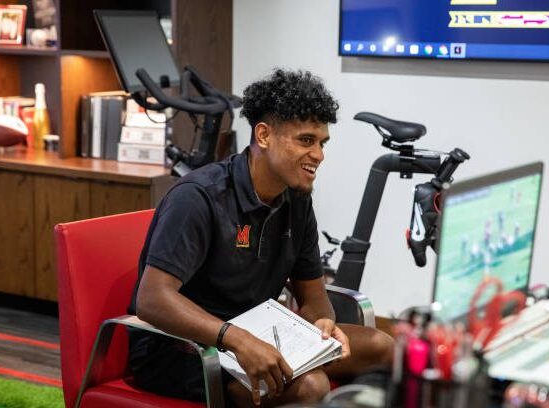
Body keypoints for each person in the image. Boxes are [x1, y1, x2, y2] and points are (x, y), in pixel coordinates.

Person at [128, 69, 394, 407]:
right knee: (311, 385)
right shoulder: (198, 197)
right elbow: (151, 300)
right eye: (306, 140)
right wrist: (237, 339)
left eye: (322, 143)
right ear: (264, 135)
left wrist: (321, 326)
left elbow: (312, 296)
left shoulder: (296, 198)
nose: (319, 155)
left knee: (381, 346)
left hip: (259, 333)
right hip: (182, 348)